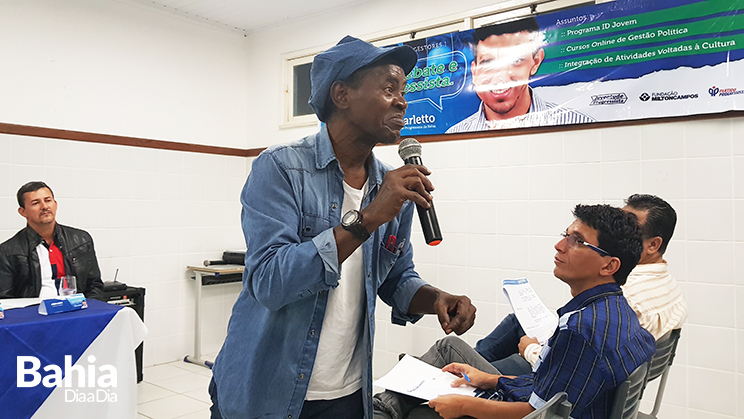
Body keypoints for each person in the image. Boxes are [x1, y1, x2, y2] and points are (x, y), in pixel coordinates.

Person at [209, 36, 477, 419]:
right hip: (266, 391)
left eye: (403, 90)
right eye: (388, 88)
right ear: (341, 94)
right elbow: (269, 281)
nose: (402, 101)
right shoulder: (281, 168)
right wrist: (368, 218)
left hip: (349, 395)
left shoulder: (390, 185)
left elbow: (396, 279)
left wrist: (435, 300)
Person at [374, 204, 655, 419]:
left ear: (609, 266)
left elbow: (538, 413)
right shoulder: (620, 312)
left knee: (422, 410)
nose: (560, 246)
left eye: (577, 241)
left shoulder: (581, 330)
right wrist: (493, 379)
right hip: (545, 400)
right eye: (566, 236)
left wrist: (463, 405)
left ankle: (378, 410)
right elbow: (557, 387)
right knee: (450, 348)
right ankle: (381, 408)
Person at [476, 194, 687, 376]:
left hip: (557, 381)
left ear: (653, 244)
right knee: (517, 321)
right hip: (583, 368)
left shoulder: (623, 299)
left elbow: (579, 363)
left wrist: (530, 349)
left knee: (454, 355)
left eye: (631, 227)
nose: (621, 231)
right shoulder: (670, 286)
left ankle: (453, 381)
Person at [446, 17, 594, 133]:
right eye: (488, 63)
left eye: (515, 61)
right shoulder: (457, 133)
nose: (501, 78)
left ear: (536, 62)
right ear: (474, 71)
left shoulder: (579, 124)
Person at [0, 181, 104, 300]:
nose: (44, 206)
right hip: (35, 315)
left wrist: (88, 312)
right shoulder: (8, 251)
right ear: (22, 212)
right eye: (35, 203)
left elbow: (94, 285)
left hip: (77, 311)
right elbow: (5, 299)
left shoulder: (81, 240)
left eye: (48, 200)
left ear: (55, 204)